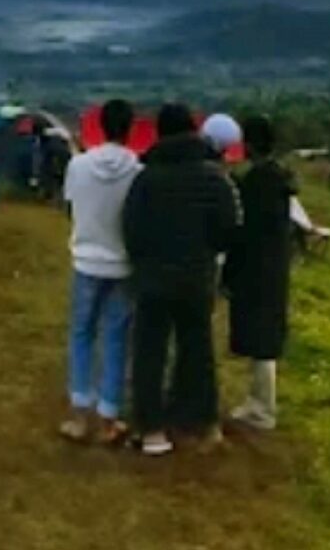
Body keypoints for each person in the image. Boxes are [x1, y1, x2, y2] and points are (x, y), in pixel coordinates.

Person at [119, 103, 240, 457]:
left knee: (149, 352)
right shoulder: (215, 177)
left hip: (154, 279)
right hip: (196, 279)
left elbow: (132, 231)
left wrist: (144, 264)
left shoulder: (146, 178)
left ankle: (152, 428)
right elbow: (227, 232)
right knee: (197, 349)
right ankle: (199, 421)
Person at [59, 98, 143, 446]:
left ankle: (80, 416)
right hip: (123, 265)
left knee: (81, 334)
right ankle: (109, 419)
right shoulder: (138, 170)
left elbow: (69, 207)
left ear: (101, 126)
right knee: (116, 338)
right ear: (130, 129)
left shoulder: (78, 165)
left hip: (86, 261)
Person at [223, 115, 295, 432]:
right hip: (274, 266)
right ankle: (256, 401)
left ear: (249, 145)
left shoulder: (257, 184)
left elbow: (244, 232)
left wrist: (230, 273)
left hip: (257, 269)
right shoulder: (279, 179)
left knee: (262, 341)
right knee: (263, 337)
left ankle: (264, 408)